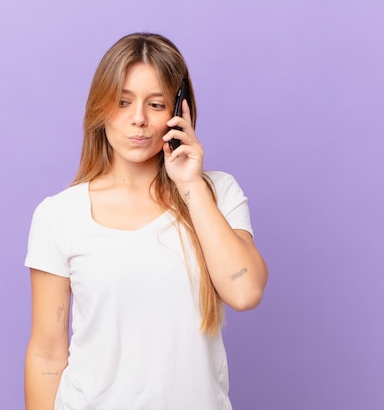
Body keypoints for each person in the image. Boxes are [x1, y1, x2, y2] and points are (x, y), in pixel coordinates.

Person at [24, 32, 268, 410]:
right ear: (100, 108)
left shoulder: (216, 193)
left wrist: (189, 185)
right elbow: (47, 352)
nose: (138, 119)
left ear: (179, 111)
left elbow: (245, 291)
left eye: (155, 104)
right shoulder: (59, 215)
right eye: (122, 102)